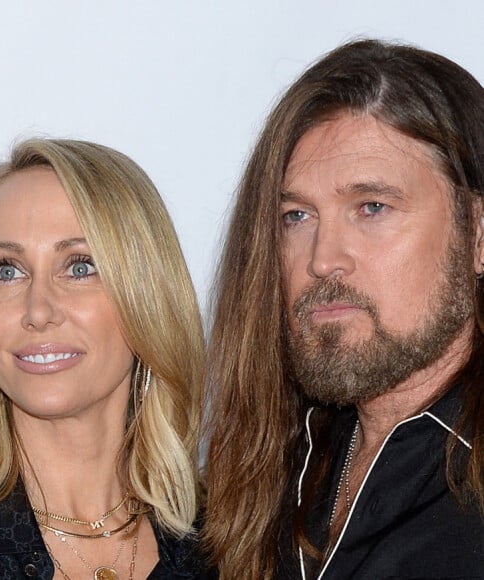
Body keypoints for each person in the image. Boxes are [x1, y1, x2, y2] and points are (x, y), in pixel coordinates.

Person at [204, 39, 484, 579]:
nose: (324, 259)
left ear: (476, 232)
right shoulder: (269, 475)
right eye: (297, 216)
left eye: (372, 207)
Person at [0, 138, 214, 579]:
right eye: (7, 270)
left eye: (80, 266)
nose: (38, 311)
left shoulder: (233, 543)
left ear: (147, 295)